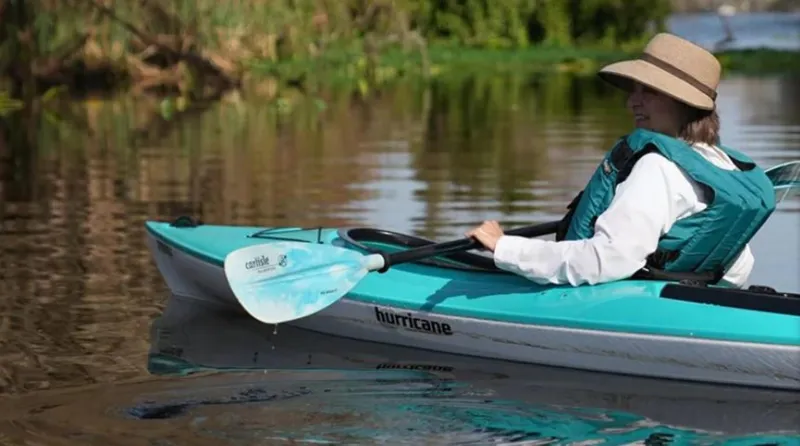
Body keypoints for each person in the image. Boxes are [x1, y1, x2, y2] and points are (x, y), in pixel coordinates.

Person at [466, 33, 776, 288]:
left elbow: (606, 260)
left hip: (636, 310)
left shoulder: (658, 168)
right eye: (633, 90)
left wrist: (505, 247)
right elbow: (738, 269)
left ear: (683, 102)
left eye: (649, 91)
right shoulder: (721, 164)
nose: (632, 101)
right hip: (691, 303)